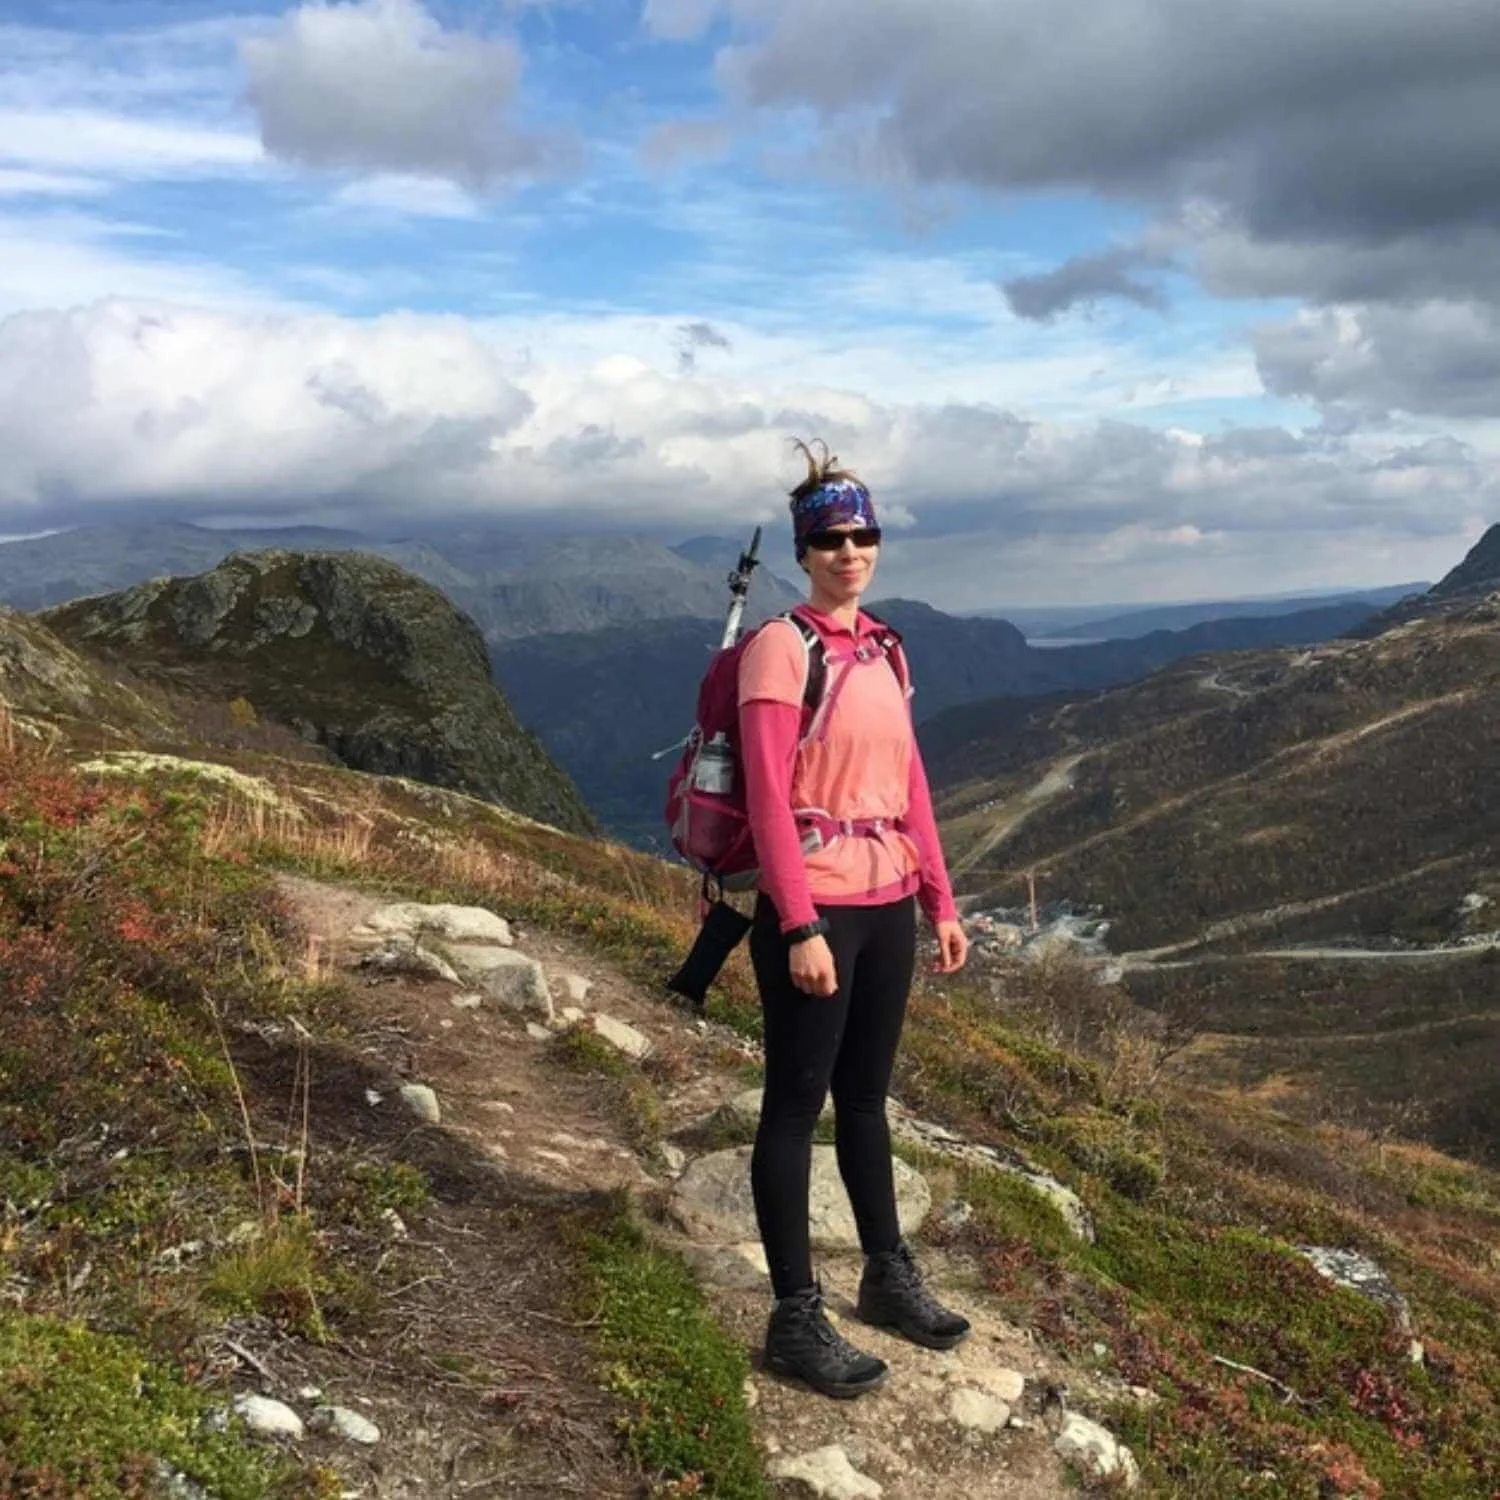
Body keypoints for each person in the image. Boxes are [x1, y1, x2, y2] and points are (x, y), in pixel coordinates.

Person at [737, 439, 970, 1399]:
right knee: (795, 1106)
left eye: (863, 534)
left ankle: (886, 1277)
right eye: (831, 537)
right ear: (804, 548)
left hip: (887, 901)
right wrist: (796, 925)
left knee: (867, 1099)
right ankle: (796, 1316)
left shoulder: (884, 647)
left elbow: (908, 779)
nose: (850, 551)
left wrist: (941, 900)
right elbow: (762, 796)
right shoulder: (778, 649)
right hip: (819, 904)